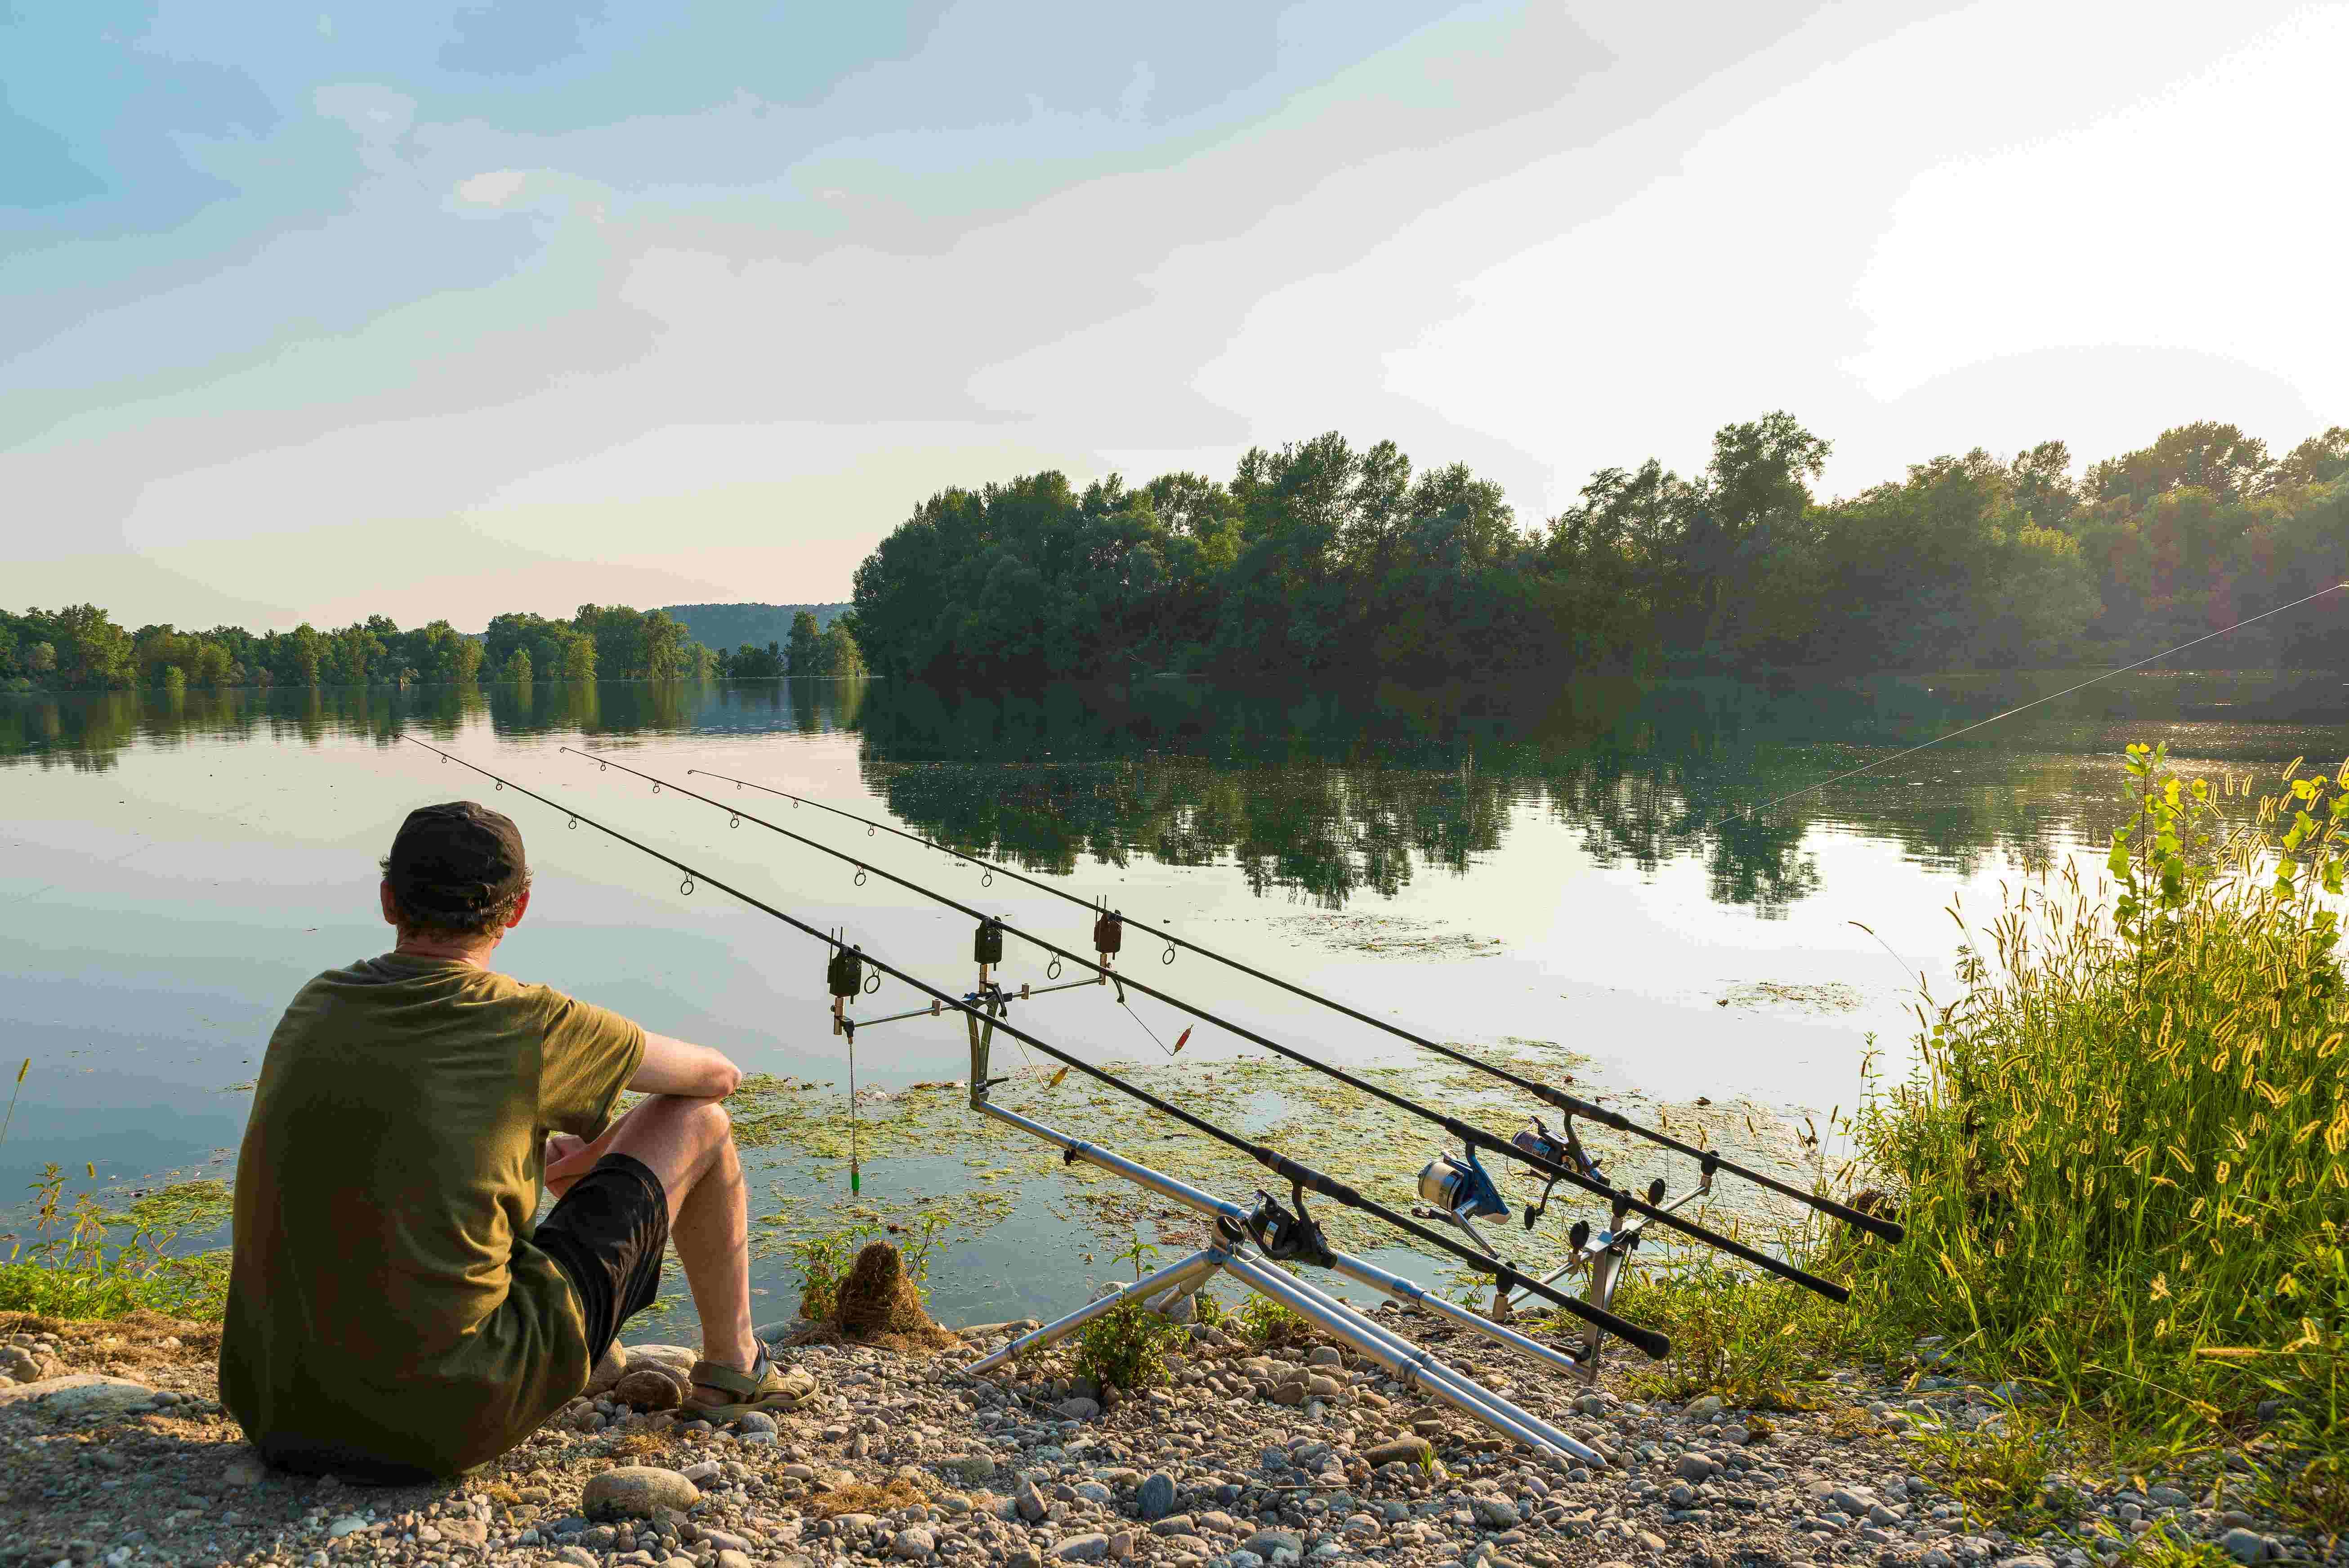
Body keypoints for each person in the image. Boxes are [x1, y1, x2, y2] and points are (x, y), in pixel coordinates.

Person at [219, 800, 807, 1481]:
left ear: (388, 900)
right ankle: (735, 1368)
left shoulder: (315, 1003)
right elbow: (716, 1076)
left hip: (276, 1413)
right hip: (441, 1423)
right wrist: (587, 1166)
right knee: (699, 1120)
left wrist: (563, 1159)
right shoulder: (530, 1022)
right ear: (519, 907)